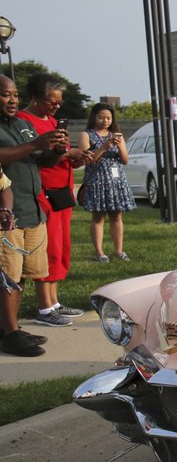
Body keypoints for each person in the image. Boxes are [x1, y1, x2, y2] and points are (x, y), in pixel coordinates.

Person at [0, 75, 70, 356]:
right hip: (7, 215)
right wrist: (34, 144)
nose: (13, 100)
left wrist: (57, 150)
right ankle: (10, 333)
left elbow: (41, 160)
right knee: (7, 276)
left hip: (32, 209)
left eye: (15, 95)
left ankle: (10, 327)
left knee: (23, 274)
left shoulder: (23, 124)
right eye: (6, 95)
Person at [17, 73, 89, 326]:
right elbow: (37, 157)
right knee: (47, 249)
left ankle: (54, 301)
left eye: (59, 102)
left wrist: (72, 156)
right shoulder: (23, 123)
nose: (56, 106)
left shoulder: (52, 121)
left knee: (61, 247)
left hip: (61, 191)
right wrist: (63, 155)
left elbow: (56, 154)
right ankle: (44, 307)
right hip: (42, 192)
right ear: (36, 97)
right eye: (51, 101)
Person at [79, 103, 136, 262]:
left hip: (116, 181)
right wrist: (104, 146)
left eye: (108, 118)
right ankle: (99, 252)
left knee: (116, 216)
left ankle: (119, 250)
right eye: (101, 117)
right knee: (98, 217)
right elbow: (88, 160)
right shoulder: (86, 135)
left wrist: (120, 146)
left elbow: (125, 160)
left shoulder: (117, 135)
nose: (105, 121)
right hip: (97, 181)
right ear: (94, 117)